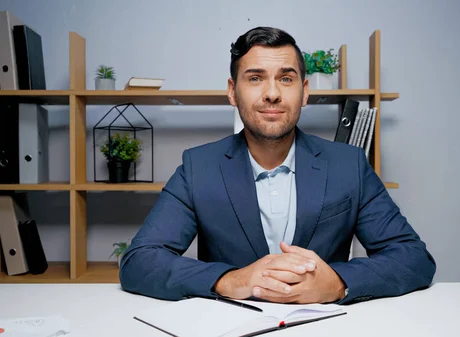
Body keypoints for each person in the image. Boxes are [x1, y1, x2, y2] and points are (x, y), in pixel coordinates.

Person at [119, 26, 436, 305]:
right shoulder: (198, 167)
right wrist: (233, 281)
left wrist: (338, 283)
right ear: (233, 91)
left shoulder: (348, 164)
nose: (272, 93)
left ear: (305, 91)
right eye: (255, 78)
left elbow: (414, 257)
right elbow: (139, 262)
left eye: (286, 78)